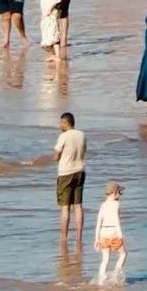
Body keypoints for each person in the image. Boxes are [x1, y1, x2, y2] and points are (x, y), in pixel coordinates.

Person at [54, 107, 89, 261]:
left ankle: (64, 237)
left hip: (66, 172)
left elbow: (56, 156)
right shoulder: (82, 135)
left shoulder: (64, 136)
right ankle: (79, 237)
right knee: (78, 205)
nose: (60, 125)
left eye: (61, 122)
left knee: (65, 207)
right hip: (80, 170)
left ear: (65, 122)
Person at [94, 178, 127, 283]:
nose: (120, 195)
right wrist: (121, 235)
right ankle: (116, 274)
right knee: (123, 254)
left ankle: (101, 280)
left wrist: (96, 239)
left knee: (105, 259)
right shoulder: (116, 205)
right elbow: (116, 220)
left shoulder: (103, 205)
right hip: (113, 232)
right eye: (119, 193)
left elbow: (98, 222)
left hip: (103, 233)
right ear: (114, 193)